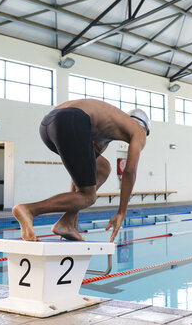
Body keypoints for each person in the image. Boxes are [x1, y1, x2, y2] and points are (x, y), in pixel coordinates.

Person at [12, 99, 149, 242]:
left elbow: (80, 173)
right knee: (89, 197)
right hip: (70, 120)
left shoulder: (105, 129)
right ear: (145, 128)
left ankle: (66, 223)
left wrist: (72, 215)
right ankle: (29, 210)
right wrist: (121, 212)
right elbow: (129, 172)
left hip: (48, 125)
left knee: (102, 167)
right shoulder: (139, 130)